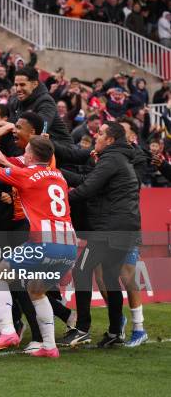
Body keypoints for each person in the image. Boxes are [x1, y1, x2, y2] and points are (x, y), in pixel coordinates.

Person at [0, 135, 77, 358]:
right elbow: (29, 177)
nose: (25, 153)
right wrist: (5, 161)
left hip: (44, 243)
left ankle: (8, 331)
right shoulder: (58, 176)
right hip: (69, 245)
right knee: (36, 290)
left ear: (31, 155)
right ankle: (49, 347)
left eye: (27, 150)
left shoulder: (26, 174)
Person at [59, 123, 141, 348]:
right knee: (111, 278)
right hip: (124, 228)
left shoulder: (111, 160)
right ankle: (116, 331)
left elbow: (86, 189)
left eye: (101, 133)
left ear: (111, 140)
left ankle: (83, 328)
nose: (96, 136)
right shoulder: (118, 158)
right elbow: (87, 181)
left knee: (81, 269)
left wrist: (59, 198)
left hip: (109, 229)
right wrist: (58, 172)